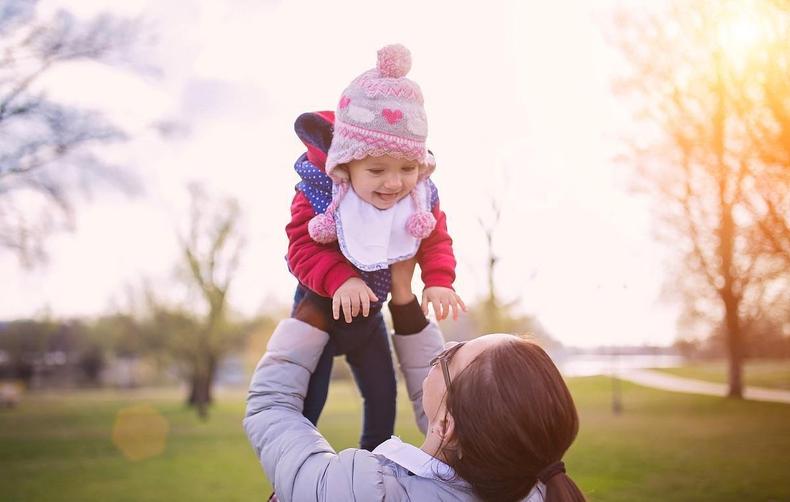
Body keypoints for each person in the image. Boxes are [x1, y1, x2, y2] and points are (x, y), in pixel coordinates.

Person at [244, 258, 586, 502]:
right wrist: (404, 299)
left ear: (448, 426)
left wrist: (312, 307)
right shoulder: (533, 487)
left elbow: (271, 407)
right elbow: (453, 409)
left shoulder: (363, 492)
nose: (448, 344)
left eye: (453, 354)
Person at [285, 44, 465, 450]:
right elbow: (300, 249)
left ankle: (371, 472)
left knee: (383, 399)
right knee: (305, 403)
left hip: (369, 318)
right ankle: (287, 483)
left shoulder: (417, 199)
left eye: (407, 168)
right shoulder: (319, 196)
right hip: (319, 309)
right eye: (377, 170)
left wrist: (439, 280)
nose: (394, 183)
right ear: (346, 165)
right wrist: (341, 279)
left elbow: (435, 237)